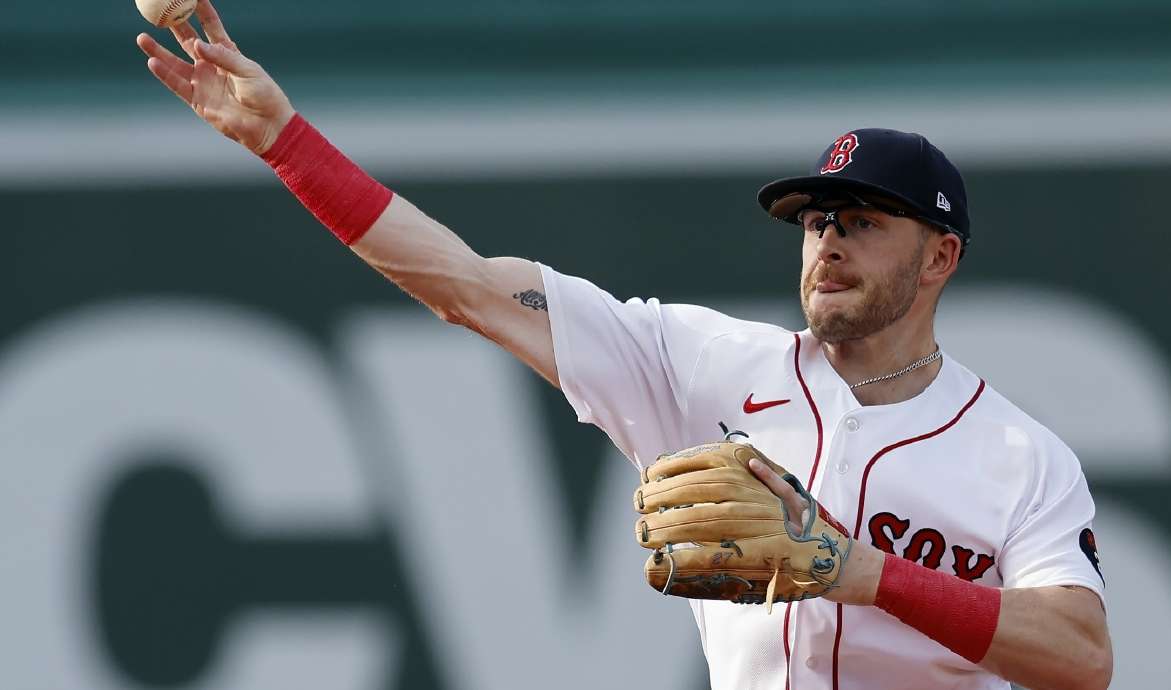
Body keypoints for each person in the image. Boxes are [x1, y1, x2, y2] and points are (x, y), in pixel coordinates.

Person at [136, 4, 1113, 688]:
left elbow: (1079, 657)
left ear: (939, 256)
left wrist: (856, 572)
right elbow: (466, 287)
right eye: (817, 220)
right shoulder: (697, 364)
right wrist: (284, 143)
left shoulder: (1017, 456)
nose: (828, 241)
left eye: (863, 221)